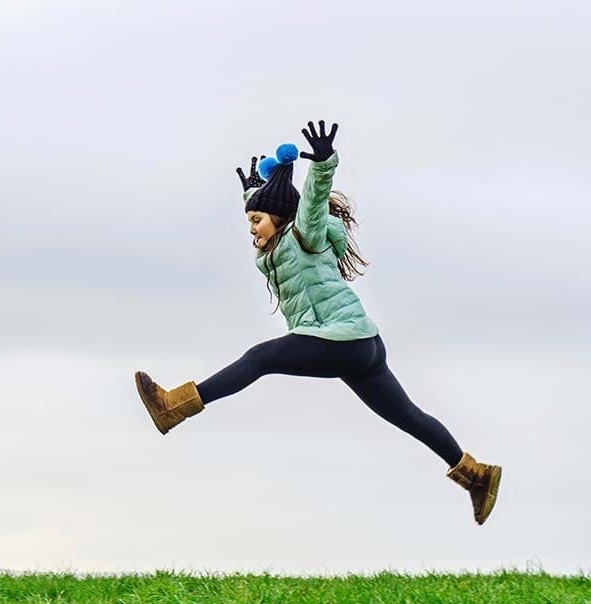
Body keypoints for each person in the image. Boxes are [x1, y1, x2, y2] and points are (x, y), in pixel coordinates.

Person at [134, 120, 502, 525]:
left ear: (279, 218)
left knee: (260, 358)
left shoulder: (304, 234)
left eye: (257, 220)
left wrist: (323, 164)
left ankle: (174, 406)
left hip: (340, 338)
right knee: (408, 416)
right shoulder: (277, 245)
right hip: (361, 343)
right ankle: (476, 475)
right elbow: (277, 205)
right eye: (249, 221)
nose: (252, 229)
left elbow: (308, 202)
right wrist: (255, 192)